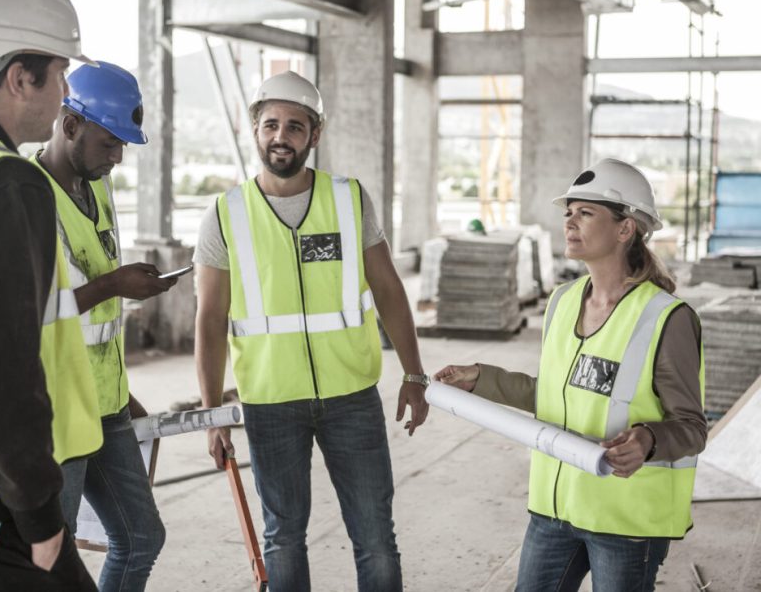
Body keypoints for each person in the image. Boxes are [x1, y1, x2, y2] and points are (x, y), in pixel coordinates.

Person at [195, 71, 429, 591]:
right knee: (283, 537)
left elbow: (389, 289)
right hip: (270, 401)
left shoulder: (348, 200)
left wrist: (415, 373)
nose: (282, 136)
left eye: (295, 127)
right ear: (255, 130)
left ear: (314, 135)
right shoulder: (225, 214)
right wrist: (213, 414)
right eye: (271, 124)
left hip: (352, 396)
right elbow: (210, 319)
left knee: (375, 536)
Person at [435, 158, 707, 592]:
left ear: (625, 229)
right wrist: (480, 379)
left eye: (585, 213)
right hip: (554, 508)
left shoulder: (666, 317)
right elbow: (558, 394)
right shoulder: (562, 301)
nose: (569, 223)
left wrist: (648, 440)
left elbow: (692, 427)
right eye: (568, 212)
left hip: (625, 519)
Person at [0, 0, 104, 590]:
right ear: (21, 77)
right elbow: (0, 365)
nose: (65, 90)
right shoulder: (3, 181)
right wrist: (42, 519)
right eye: (61, 72)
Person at [32, 60, 174, 591]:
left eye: (122, 147)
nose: (116, 159)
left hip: (107, 404)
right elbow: (26, 314)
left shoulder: (97, 187)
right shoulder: (26, 195)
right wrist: (113, 285)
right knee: (51, 557)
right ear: (70, 126)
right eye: (109, 144)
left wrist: (125, 391)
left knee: (141, 538)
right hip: (56, 412)